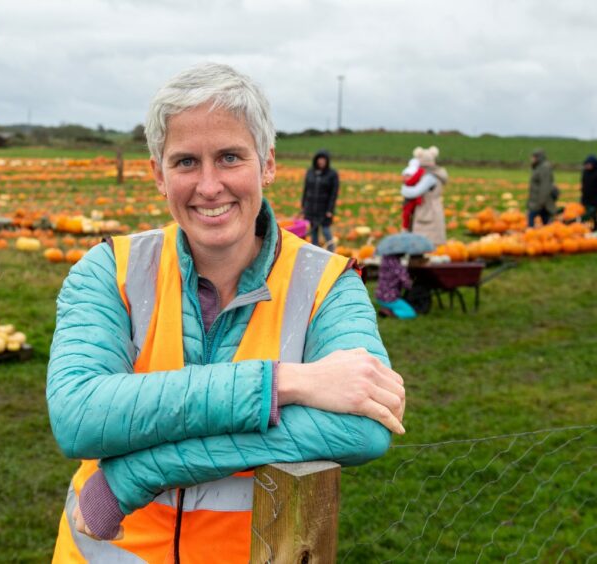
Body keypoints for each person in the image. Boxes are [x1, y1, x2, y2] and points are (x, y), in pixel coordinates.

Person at [47, 62, 406, 563]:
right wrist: (283, 383)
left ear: (268, 165)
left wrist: (141, 472)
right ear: (157, 173)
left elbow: (363, 428)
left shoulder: (328, 284)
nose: (210, 185)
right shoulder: (111, 270)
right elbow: (79, 415)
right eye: (186, 162)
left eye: (230, 157)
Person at [401, 146, 448, 245]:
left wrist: (404, 189)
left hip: (428, 208)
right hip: (432, 206)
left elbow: (415, 192)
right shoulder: (431, 174)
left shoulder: (430, 177)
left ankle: (427, 255)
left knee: (427, 235)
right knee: (428, 233)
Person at [301, 149, 339, 251]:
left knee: (326, 230)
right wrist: (303, 205)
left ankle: (332, 250)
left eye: (323, 159)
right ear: (316, 160)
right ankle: (315, 250)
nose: (321, 161)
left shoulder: (332, 174)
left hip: (324, 209)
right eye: (319, 159)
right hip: (311, 208)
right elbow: (306, 190)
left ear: (327, 161)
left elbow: (333, 194)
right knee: (313, 231)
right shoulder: (310, 172)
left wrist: (330, 210)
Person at [375, 254, 416, 319]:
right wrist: (411, 282)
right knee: (411, 313)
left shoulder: (384, 261)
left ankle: (386, 308)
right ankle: (390, 313)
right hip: (390, 298)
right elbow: (407, 284)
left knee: (399, 304)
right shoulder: (397, 266)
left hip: (379, 296)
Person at [527, 148, 557, 227]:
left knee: (532, 221)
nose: (531, 159)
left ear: (538, 157)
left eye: (533, 157)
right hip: (537, 201)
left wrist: (541, 202)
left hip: (540, 202)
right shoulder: (539, 167)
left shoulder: (544, 168)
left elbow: (545, 186)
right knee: (545, 222)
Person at [400, 158, 425, 231]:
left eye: (408, 176)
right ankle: (406, 228)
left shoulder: (416, 182)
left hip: (413, 201)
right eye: (405, 176)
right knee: (407, 214)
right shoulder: (408, 184)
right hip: (409, 201)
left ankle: (407, 227)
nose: (406, 178)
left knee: (412, 215)